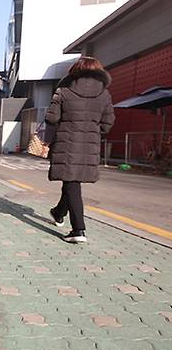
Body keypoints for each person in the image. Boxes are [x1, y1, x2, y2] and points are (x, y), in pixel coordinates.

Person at [45, 56, 115, 243]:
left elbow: (51, 118)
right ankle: (59, 212)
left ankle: (79, 230)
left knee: (71, 182)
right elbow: (108, 123)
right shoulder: (104, 94)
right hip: (89, 143)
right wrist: (91, 131)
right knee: (72, 182)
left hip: (67, 142)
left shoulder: (64, 90)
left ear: (75, 70)